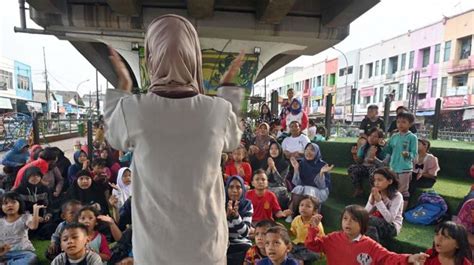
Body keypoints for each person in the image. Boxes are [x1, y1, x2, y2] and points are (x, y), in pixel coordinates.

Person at [105, 14, 244, 264]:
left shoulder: (133, 109)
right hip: (206, 246)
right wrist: (228, 91)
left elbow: (114, 138)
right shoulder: (217, 110)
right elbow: (233, 140)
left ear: (151, 58)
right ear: (194, 58)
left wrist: (122, 86)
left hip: (154, 249)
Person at [304, 205, 430, 265]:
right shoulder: (332, 238)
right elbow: (312, 245)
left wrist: (409, 258)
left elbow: (389, 258)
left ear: (363, 224)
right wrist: (313, 229)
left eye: (353, 219)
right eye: (345, 218)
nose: (348, 222)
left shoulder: (370, 245)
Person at [383, 111, 418, 210]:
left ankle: (400, 212)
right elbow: (388, 150)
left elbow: (414, 154)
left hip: (405, 168)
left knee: (402, 191)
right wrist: (384, 145)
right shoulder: (394, 136)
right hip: (393, 167)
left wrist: (408, 155)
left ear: (410, 124)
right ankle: (391, 209)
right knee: (392, 188)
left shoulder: (412, 137)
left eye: (403, 122)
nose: (400, 124)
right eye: (398, 122)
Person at [0, 191, 45, 264]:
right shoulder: (1, 221)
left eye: (13, 202)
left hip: (23, 252)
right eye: (5, 203)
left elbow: (33, 226)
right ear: (1, 207)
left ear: (20, 204)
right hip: (4, 253)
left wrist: (35, 210)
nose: (9, 205)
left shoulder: (25, 217)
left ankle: (7, 263)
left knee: (32, 258)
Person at [289, 143, 333, 215]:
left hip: (319, 191)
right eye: (306, 150)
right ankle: (292, 213)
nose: (308, 152)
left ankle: (313, 217)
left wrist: (321, 173)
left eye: (312, 150)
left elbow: (322, 186)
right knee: (298, 188)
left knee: (309, 190)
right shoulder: (302, 163)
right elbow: (297, 183)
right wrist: (296, 168)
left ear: (317, 152)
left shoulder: (322, 165)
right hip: (305, 188)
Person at [364, 168, 404, 243]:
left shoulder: (397, 196)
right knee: (369, 228)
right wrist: (371, 202)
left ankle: (375, 250)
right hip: (376, 222)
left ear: (390, 181)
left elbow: (390, 219)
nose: (376, 183)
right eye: (375, 180)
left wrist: (379, 201)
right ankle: (374, 250)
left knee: (368, 219)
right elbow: (364, 213)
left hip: (392, 227)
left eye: (380, 180)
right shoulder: (375, 192)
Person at [348, 128, 387, 197]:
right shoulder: (364, 147)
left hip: (375, 168)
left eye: (375, 136)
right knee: (351, 168)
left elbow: (384, 164)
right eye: (370, 136)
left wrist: (374, 159)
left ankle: (374, 193)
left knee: (373, 171)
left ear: (380, 139)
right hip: (365, 168)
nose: (371, 138)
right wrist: (354, 154)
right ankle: (359, 188)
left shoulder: (383, 149)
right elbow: (359, 162)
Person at [225, 175, 253, 265]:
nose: (234, 190)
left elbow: (245, 233)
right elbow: (215, 231)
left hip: (241, 245)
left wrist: (236, 217)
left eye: (238, 187)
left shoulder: (247, 205)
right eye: (231, 187)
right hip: (223, 244)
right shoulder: (220, 203)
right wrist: (226, 217)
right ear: (226, 188)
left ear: (243, 189)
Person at [290, 196, 323, 264]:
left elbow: (320, 240)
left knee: (314, 254)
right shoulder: (297, 219)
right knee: (285, 248)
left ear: (314, 211)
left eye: (308, 206)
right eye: (301, 205)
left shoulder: (316, 223)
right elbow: (293, 231)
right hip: (298, 244)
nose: (303, 208)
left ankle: (297, 259)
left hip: (311, 247)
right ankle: (296, 258)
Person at [261, 141, 290, 209]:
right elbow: (263, 179)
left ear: (279, 150)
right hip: (267, 185)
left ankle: (275, 211)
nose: (273, 151)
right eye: (271, 149)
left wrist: (273, 168)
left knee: (277, 192)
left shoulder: (285, 164)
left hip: (279, 186)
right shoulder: (265, 161)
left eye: (276, 149)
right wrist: (269, 168)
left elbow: (280, 181)